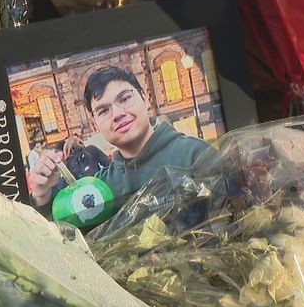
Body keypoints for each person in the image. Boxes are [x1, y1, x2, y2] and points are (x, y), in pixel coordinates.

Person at [29, 66, 210, 207]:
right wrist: (41, 194)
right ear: (95, 124)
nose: (117, 114)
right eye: (103, 110)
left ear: (145, 98)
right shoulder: (101, 188)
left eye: (124, 99)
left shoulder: (195, 154)